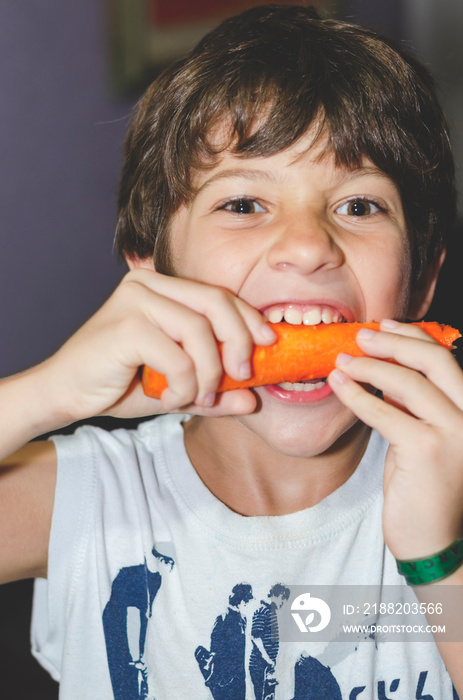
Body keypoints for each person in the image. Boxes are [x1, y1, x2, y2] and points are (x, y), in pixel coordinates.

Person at [0, 4, 462, 698]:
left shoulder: (453, 498)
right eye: (243, 203)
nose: (308, 246)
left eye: (360, 205)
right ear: (153, 274)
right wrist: (45, 393)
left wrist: (438, 564)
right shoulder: (91, 499)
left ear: (421, 283)